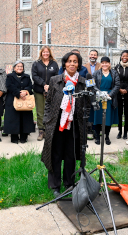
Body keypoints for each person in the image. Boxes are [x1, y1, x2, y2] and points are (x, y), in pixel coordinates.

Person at [41, 52, 90, 197]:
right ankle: (55, 185)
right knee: (55, 154)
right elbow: (48, 102)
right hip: (57, 124)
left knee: (71, 155)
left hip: (75, 125)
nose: (72, 64)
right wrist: (47, 121)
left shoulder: (82, 82)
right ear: (64, 64)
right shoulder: (55, 80)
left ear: (78, 65)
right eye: (69, 61)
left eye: (75, 62)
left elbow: (87, 105)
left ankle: (69, 184)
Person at [3, 61, 35, 144]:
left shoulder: (27, 77)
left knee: (25, 118)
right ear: (14, 68)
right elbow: (9, 86)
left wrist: (25, 92)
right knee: (13, 118)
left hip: (25, 100)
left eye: (21, 66)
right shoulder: (10, 76)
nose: (20, 68)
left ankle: (24, 137)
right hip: (13, 99)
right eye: (18, 66)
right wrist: (19, 93)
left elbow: (30, 86)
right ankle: (14, 137)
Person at [31, 46, 59, 141]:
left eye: (47, 52)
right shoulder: (36, 64)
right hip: (39, 90)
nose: (45, 54)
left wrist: (50, 86)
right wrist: (44, 84)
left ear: (49, 53)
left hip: (51, 91)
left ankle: (48, 130)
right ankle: (41, 130)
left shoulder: (54, 64)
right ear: (41, 53)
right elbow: (34, 76)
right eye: (44, 52)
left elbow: (57, 76)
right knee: (40, 111)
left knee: (50, 110)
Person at [92, 57, 120, 145]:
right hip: (98, 97)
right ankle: (97, 137)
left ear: (109, 64)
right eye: (103, 63)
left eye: (106, 63)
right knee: (97, 118)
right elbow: (92, 84)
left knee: (108, 119)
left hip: (109, 98)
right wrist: (99, 93)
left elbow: (117, 85)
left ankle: (107, 136)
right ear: (101, 64)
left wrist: (109, 94)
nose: (104, 64)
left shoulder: (114, 73)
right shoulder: (96, 73)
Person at [115, 50, 128, 140]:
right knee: (119, 113)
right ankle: (120, 131)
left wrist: (127, 90)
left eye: (126, 56)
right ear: (121, 56)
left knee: (126, 113)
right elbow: (115, 79)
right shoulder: (117, 67)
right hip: (118, 93)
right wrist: (119, 89)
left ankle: (125, 133)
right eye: (123, 55)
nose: (124, 57)